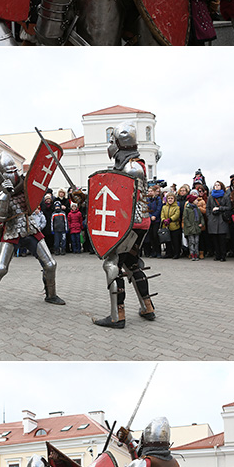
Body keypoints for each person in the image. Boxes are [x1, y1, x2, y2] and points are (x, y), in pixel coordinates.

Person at [0, 151, 65, 312]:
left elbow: (37, 193)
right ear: (1, 175)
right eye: (8, 172)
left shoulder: (26, 184)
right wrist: (5, 195)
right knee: (1, 268)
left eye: (14, 170)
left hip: (30, 227)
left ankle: (51, 295)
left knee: (51, 264)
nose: (14, 174)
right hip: (10, 230)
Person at [92, 123, 156, 329]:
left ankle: (116, 315)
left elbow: (126, 197)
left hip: (130, 223)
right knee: (132, 262)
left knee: (112, 264)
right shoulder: (132, 163)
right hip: (138, 221)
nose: (111, 145)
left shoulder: (131, 167)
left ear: (120, 143)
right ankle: (147, 307)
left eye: (113, 141)